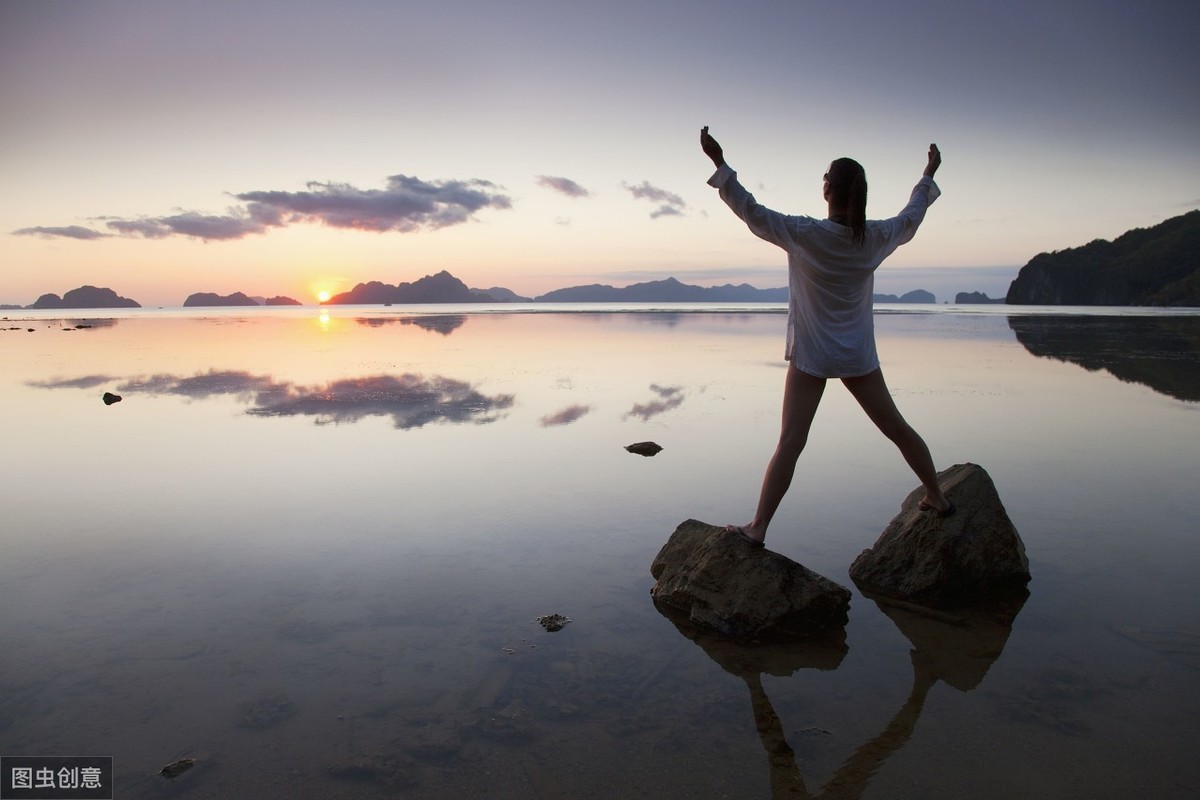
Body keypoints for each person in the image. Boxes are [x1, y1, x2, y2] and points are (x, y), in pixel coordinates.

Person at [700, 126, 953, 548]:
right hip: (857, 357)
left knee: (790, 443)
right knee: (897, 428)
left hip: (812, 356)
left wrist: (719, 162)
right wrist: (928, 175)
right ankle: (937, 496)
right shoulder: (874, 238)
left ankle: (758, 527)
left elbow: (750, 210)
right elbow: (912, 215)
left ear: (827, 189)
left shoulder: (804, 234)